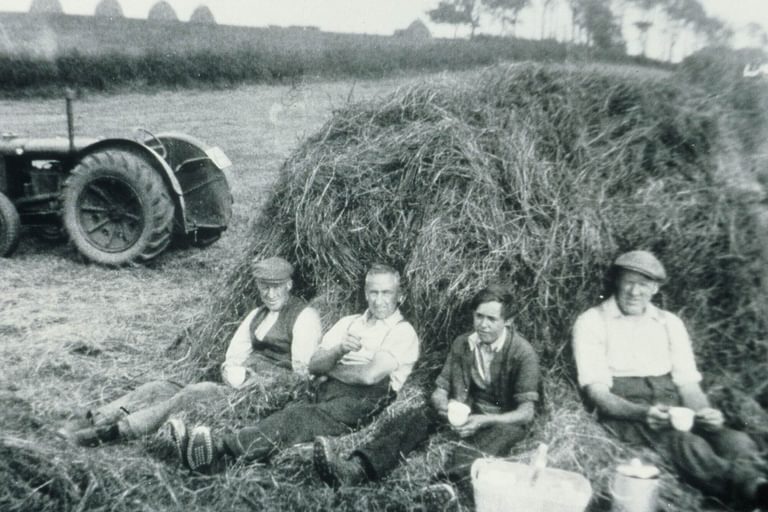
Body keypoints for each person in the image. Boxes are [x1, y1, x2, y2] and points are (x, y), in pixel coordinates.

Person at [165, 263, 420, 472]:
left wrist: (330, 368)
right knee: (274, 407)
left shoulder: (402, 332)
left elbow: (368, 375)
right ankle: (203, 446)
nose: (378, 300)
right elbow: (313, 363)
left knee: (296, 418)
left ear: (400, 296)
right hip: (325, 387)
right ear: (365, 293)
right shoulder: (349, 322)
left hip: (362, 400)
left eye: (386, 293)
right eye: (373, 292)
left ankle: (219, 449)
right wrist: (340, 350)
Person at [572, 249, 768, 508]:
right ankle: (751, 490)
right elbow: (598, 394)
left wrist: (705, 413)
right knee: (687, 444)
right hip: (625, 407)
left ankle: (757, 484)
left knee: (736, 441)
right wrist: (643, 413)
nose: (634, 292)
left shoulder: (669, 323)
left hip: (672, 402)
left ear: (655, 288)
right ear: (617, 281)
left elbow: (688, 383)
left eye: (643, 285)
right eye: (629, 282)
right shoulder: (591, 321)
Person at [312, 284, 540, 507]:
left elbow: (526, 413)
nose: (483, 325)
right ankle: (357, 468)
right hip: (467, 409)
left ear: (508, 322)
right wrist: (443, 405)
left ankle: (448, 490)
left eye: (492, 319)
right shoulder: (463, 343)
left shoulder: (522, 352)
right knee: (416, 415)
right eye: (479, 316)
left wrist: (484, 420)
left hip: (500, 418)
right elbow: (440, 390)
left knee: (491, 439)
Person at [58, 256, 322, 446]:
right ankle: (97, 417)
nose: (270, 293)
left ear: (289, 285)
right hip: (236, 388)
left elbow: (301, 375)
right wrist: (235, 376)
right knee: (159, 387)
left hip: (262, 402)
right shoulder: (256, 315)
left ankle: (115, 432)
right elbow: (233, 358)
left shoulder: (304, 317)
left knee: (193, 394)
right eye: (264, 286)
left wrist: (256, 386)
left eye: (276, 286)